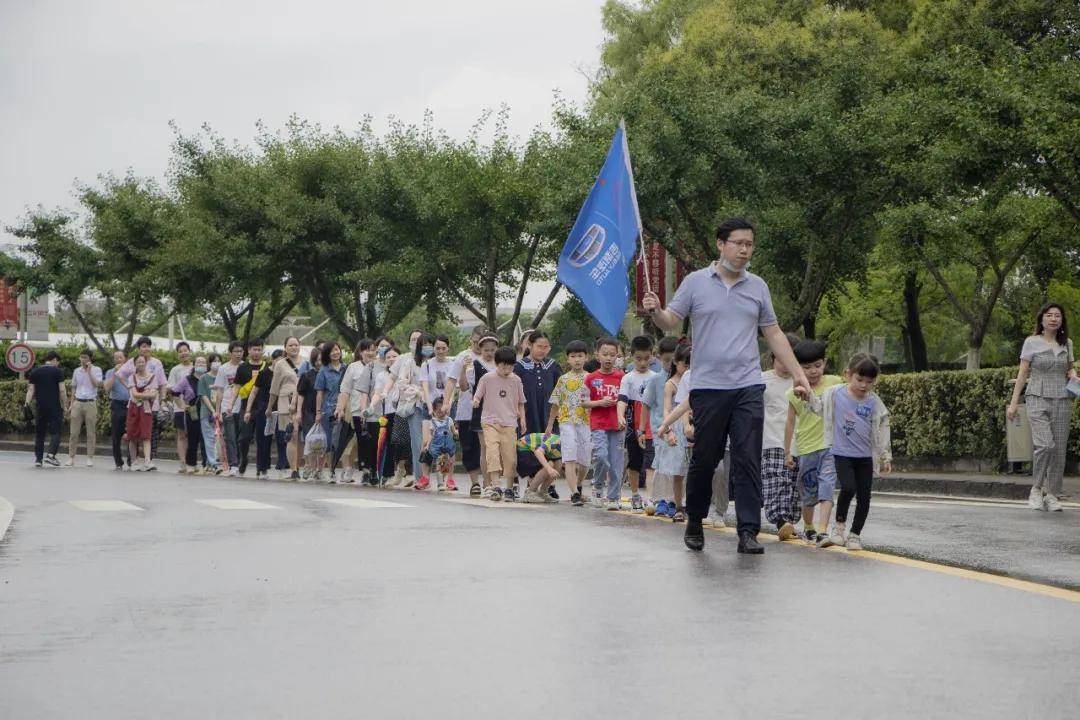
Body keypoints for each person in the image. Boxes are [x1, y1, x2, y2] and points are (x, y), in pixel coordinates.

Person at [643, 216, 810, 554]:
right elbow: (670, 321)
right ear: (721, 244)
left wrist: (798, 374)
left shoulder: (758, 286)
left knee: (748, 458)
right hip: (708, 388)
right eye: (738, 243)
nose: (745, 250)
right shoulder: (695, 283)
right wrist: (656, 310)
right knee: (707, 458)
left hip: (748, 386)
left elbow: (773, 333)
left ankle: (747, 530)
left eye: (750, 244)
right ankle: (694, 519)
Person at [810, 354, 893, 551]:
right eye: (859, 379)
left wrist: (885, 455)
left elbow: (883, 428)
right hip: (841, 453)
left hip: (865, 456)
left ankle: (855, 534)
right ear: (847, 374)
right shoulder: (834, 393)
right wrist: (807, 396)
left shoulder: (874, 402)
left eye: (869, 382)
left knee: (865, 496)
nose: (864, 385)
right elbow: (818, 408)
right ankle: (838, 528)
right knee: (848, 487)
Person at [1007, 303, 1077, 511]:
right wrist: (1013, 403)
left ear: (1062, 321)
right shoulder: (1031, 342)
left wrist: (1074, 377)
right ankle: (1036, 489)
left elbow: (1070, 369)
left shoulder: (1067, 344)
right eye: (1049, 315)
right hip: (1037, 397)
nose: (1054, 319)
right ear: (1042, 319)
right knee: (1045, 445)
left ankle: (1052, 494)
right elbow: (1022, 374)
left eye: (1058, 316)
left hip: (1063, 399)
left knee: (1059, 450)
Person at [783, 339, 843, 545]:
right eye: (807, 367)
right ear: (798, 368)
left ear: (824, 363)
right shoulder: (793, 393)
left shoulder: (835, 383)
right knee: (808, 492)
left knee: (827, 486)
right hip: (806, 447)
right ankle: (808, 526)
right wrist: (787, 452)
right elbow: (790, 423)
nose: (814, 371)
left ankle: (823, 530)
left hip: (830, 446)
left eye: (818, 365)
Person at [761, 334, 804, 540]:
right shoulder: (762, 380)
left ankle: (789, 522)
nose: (785, 364)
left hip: (796, 442)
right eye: (781, 358)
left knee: (793, 484)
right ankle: (780, 520)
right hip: (769, 441)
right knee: (776, 480)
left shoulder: (800, 382)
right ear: (773, 357)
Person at [444, 326, 495, 497]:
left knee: (488, 448)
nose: (477, 347)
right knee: (469, 447)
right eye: (475, 343)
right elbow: (453, 382)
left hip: (491, 412)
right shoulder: (463, 357)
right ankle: (475, 482)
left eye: (480, 343)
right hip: (466, 410)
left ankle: (489, 483)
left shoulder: (494, 358)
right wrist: (446, 403)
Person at [471, 346, 527, 501]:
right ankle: (495, 486)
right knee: (492, 452)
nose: (507, 369)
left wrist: (522, 418)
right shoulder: (487, 378)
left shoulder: (516, 380)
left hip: (509, 423)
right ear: (497, 364)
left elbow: (521, 402)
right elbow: (478, 395)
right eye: (504, 365)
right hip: (490, 422)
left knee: (510, 457)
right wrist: (475, 401)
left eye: (510, 365)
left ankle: (509, 488)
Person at [514, 330, 562, 499]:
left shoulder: (553, 366)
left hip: (548, 415)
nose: (542, 350)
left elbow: (559, 391)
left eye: (546, 347)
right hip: (528, 414)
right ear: (529, 345)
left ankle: (547, 487)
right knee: (530, 449)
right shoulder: (519, 367)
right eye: (539, 346)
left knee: (553, 451)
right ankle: (531, 486)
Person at [546, 340, 592, 505]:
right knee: (570, 456)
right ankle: (574, 493)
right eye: (573, 356)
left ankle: (578, 485)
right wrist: (550, 425)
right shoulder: (563, 379)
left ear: (586, 357)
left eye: (580, 356)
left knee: (585, 460)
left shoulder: (591, 378)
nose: (577, 359)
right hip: (566, 422)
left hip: (586, 422)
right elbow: (555, 403)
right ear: (568, 359)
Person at [381, 333, 429, 488]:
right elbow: (395, 379)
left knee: (434, 442)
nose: (416, 343)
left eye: (419, 340)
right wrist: (384, 392)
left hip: (433, 406)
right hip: (409, 405)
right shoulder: (405, 359)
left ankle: (438, 477)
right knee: (411, 442)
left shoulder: (434, 361)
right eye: (413, 340)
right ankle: (416, 475)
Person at [584, 337, 625, 510]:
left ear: (618, 356)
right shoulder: (591, 378)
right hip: (598, 423)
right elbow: (584, 402)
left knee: (616, 463)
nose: (608, 358)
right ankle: (598, 486)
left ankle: (614, 497)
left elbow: (627, 400)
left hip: (618, 425)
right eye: (605, 354)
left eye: (612, 355)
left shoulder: (623, 377)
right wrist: (600, 402)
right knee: (601, 457)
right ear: (597, 355)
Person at [617, 335, 657, 513]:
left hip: (652, 422)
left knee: (652, 462)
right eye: (638, 359)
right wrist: (620, 415)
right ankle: (635, 494)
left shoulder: (657, 377)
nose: (642, 362)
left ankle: (651, 498)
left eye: (647, 358)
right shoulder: (628, 378)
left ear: (652, 355)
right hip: (634, 421)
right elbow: (623, 399)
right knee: (635, 461)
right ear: (631, 356)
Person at [653, 341, 690, 521]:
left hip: (692, 427)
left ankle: (688, 502)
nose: (689, 368)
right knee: (677, 470)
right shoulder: (671, 383)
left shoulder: (695, 380)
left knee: (691, 470)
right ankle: (677, 504)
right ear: (676, 362)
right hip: (676, 428)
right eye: (685, 364)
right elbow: (667, 410)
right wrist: (669, 432)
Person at [115, 336, 168, 458]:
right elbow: (119, 374)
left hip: (151, 404)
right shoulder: (133, 361)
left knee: (150, 433)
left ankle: (149, 460)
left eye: (148, 346)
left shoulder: (156, 363)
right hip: (135, 403)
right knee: (134, 431)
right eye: (143, 346)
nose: (146, 349)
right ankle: (133, 459)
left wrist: (163, 400)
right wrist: (130, 387)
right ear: (139, 349)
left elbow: (162, 383)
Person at [338, 339, 378, 484]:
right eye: (366, 349)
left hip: (377, 411)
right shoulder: (353, 368)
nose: (370, 353)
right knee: (363, 441)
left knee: (375, 442)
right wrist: (341, 409)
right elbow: (345, 390)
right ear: (360, 352)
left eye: (373, 349)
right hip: (357, 411)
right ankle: (366, 470)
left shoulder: (380, 367)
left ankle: (374, 470)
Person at [236, 339, 272, 479]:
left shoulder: (267, 368)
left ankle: (261, 468)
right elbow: (237, 387)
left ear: (263, 350)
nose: (256, 352)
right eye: (254, 349)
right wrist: (231, 404)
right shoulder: (242, 367)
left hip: (263, 408)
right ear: (249, 350)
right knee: (244, 437)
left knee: (263, 439)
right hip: (246, 408)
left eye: (259, 349)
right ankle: (243, 460)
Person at [268, 337, 302, 480]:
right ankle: (293, 469)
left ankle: (298, 466)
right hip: (285, 402)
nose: (293, 347)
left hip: (301, 401)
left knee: (300, 438)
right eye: (290, 345)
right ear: (285, 348)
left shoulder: (306, 362)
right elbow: (274, 387)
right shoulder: (280, 364)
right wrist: (270, 407)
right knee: (291, 435)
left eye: (296, 345)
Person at [25, 351, 66, 467]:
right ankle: (51, 455)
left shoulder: (35, 372)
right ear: (54, 360)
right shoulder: (58, 372)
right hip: (54, 407)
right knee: (55, 432)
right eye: (58, 362)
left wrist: (26, 403)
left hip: (40, 407)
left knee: (40, 434)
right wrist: (65, 404)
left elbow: (31, 390)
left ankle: (38, 459)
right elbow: (62, 390)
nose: (58, 365)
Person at [313, 341, 346, 482]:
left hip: (345, 409)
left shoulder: (347, 368)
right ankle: (322, 469)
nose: (335, 353)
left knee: (339, 442)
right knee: (327, 442)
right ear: (327, 354)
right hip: (328, 410)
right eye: (332, 351)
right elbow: (319, 393)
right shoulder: (323, 371)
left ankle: (332, 469)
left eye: (337, 349)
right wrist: (318, 412)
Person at [369, 346, 400, 485]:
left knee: (405, 443)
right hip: (389, 412)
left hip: (406, 411)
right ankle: (387, 474)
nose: (392, 359)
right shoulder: (381, 376)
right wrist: (371, 406)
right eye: (388, 357)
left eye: (394, 356)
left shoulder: (406, 372)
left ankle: (406, 472)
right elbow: (377, 393)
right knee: (390, 442)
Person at [213, 341, 245, 476]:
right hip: (227, 406)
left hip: (242, 406)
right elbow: (219, 391)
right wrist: (218, 410)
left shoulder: (246, 367)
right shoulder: (223, 369)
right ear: (230, 353)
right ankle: (233, 465)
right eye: (236, 351)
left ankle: (241, 461)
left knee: (242, 437)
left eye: (240, 351)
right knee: (230, 437)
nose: (238, 354)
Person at [172, 355, 208, 474]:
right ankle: (191, 464)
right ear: (194, 365)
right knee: (193, 439)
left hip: (207, 411)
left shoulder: (209, 378)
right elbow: (175, 392)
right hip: (192, 412)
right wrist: (182, 405)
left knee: (207, 439)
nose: (201, 365)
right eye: (199, 363)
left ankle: (207, 464)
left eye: (203, 363)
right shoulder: (187, 379)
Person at [66, 348, 102, 466]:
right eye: (81, 357)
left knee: (91, 432)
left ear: (90, 359)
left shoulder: (97, 370)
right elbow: (73, 387)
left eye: (85, 357)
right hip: (78, 402)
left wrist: (90, 371)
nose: (82, 360)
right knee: (73, 432)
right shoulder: (77, 371)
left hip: (91, 402)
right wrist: (71, 404)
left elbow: (96, 384)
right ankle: (71, 457)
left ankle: (90, 457)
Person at [126, 354, 160, 471]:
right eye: (138, 362)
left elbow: (154, 394)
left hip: (146, 409)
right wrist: (146, 394)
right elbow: (134, 394)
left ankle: (147, 461)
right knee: (132, 435)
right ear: (135, 364)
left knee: (146, 435)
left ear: (146, 363)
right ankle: (134, 462)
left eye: (142, 361)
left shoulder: (153, 377)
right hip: (134, 409)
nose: (141, 364)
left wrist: (142, 395)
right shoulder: (132, 377)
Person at [420, 397, 458, 492]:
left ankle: (447, 480)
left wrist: (457, 434)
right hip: (437, 446)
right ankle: (440, 484)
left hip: (447, 447)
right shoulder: (433, 422)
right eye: (437, 409)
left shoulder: (449, 420)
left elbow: (454, 432)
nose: (440, 411)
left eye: (442, 409)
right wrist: (428, 445)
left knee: (446, 465)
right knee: (439, 464)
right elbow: (431, 435)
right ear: (434, 410)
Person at [103, 350, 132, 470]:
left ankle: (132, 459)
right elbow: (106, 388)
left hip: (131, 404)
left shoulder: (131, 372)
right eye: (116, 358)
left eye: (120, 357)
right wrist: (115, 373)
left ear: (125, 359)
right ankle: (118, 461)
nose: (118, 360)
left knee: (132, 433)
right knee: (116, 434)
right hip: (117, 404)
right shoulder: (110, 372)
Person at [167, 341, 193, 471]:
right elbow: (171, 388)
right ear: (178, 355)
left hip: (194, 408)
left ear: (190, 351)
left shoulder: (196, 368)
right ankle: (183, 462)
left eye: (185, 350)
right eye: (180, 351)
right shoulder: (175, 370)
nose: (183, 353)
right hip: (180, 407)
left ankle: (191, 462)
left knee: (193, 435)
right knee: (182, 435)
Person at [296, 347, 322, 480]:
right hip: (308, 411)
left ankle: (320, 469)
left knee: (322, 441)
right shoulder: (307, 375)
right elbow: (300, 394)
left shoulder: (327, 374)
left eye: (321, 359)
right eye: (316, 360)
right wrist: (298, 412)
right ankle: (309, 466)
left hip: (324, 411)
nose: (319, 362)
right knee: (309, 439)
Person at [517, 432, 562, 503]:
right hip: (523, 448)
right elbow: (538, 452)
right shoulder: (556, 441)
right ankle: (530, 493)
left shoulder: (564, 447)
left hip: (532, 450)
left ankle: (543, 492)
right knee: (550, 465)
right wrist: (549, 469)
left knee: (558, 463)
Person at [197, 353, 223, 474]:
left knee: (217, 438)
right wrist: (213, 411)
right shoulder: (204, 378)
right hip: (207, 413)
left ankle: (209, 463)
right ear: (210, 363)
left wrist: (220, 411)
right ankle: (214, 464)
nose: (217, 363)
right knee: (209, 438)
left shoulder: (223, 378)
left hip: (221, 412)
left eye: (219, 361)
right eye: (214, 361)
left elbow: (224, 395)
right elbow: (203, 396)